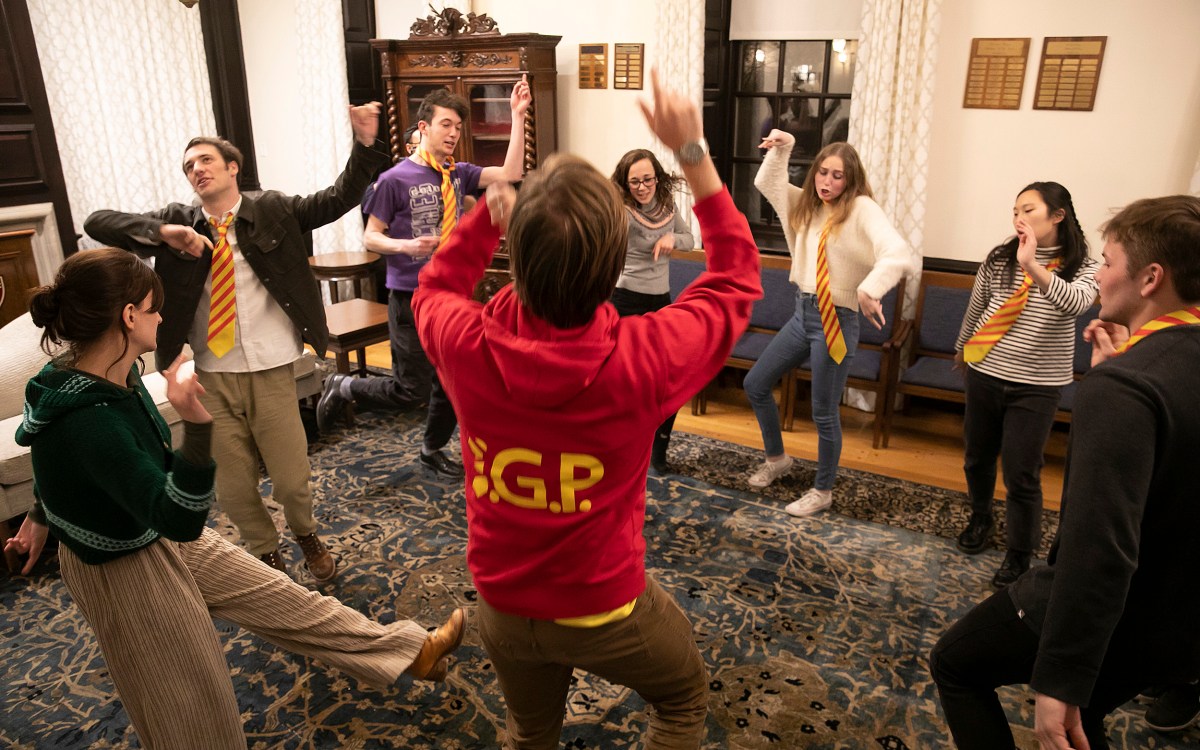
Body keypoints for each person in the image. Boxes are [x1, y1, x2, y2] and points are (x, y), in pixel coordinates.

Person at [410, 70, 761, 748]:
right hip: (607, 607)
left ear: (518, 259)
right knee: (683, 697)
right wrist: (692, 154)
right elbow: (735, 277)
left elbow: (435, 287)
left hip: (502, 607)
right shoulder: (644, 357)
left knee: (530, 732)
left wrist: (489, 215)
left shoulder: (462, 344)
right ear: (610, 269)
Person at [3, 248, 466, 749]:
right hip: (124, 566)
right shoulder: (87, 416)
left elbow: (74, 470)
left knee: (285, 599)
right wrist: (198, 425)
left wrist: (39, 514)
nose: (163, 317)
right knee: (189, 701)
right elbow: (175, 514)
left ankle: (410, 651)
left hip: (153, 530)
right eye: (154, 308)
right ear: (129, 316)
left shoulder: (117, 374)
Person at [929, 195, 1200, 749]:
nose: (1100, 274)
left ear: (1150, 278)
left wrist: (1060, 676)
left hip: (1123, 615)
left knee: (956, 663)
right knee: (1090, 717)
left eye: (1107, 260)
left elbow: (1099, 549)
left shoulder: (1124, 389)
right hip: (1181, 620)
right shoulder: (1149, 370)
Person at [82, 103, 389, 581]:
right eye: (188, 167)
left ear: (232, 167)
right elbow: (97, 222)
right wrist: (161, 232)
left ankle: (306, 534)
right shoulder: (177, 224)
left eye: (204, 160)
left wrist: (367, 145)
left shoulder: (274, 210)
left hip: (270, 366)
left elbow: (338, 197)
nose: (196, 170)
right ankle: (266, 552)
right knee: (232, 486)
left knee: (290, 479)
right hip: (210, 373)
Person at [316, 79, 532, 480]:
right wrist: (407, 246)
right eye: (446, 125)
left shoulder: (457, 174)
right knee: (410, 390)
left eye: (457, 128)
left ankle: (431, 450)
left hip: (451, 295)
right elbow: (370, 235)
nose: (453, 134)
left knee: (454, 381)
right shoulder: (395, 179)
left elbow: (511, 171)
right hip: (409, 296)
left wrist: (517, 116)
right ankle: (345, 385)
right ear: (423, 128)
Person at [743, 135, 917, 516]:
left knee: (823, 410)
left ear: (850, 180)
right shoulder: (806, 204)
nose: (827, 182)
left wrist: (871, 288)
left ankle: (822, 491)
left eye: (837, 176)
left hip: (836, 320)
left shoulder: (861, 209)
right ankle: (777, 459)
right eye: (822, 172)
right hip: (802, 313)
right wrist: (785, 146)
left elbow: (898, 253)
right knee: (755, 383)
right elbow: (766, 183)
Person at [952, 182, 1098, 588]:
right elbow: (978, 306)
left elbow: (1076, 303)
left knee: (1022, 473)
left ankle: (1019, 554)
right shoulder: (1001, 258)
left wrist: (1033, 265)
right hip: (985, 371)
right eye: (1015, 210)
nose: (1019, 219)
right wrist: (963, 349)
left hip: (1037, 386)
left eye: (1029, 210)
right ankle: (981, 516)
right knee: (976, 458)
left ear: (1058, 216)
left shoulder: (1085, 266)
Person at [608, 148, 695, 473]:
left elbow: (690, 237)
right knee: (627, 383)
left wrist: (672, 238)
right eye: (634, 182)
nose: (643, 187)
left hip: (661, 302)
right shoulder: (622, 210)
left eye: (648, 180)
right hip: (626, 300)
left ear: (657, 178)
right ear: (624, 184)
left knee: (668, 381)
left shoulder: (668, 206)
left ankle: (658, 450)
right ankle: (625, 448)